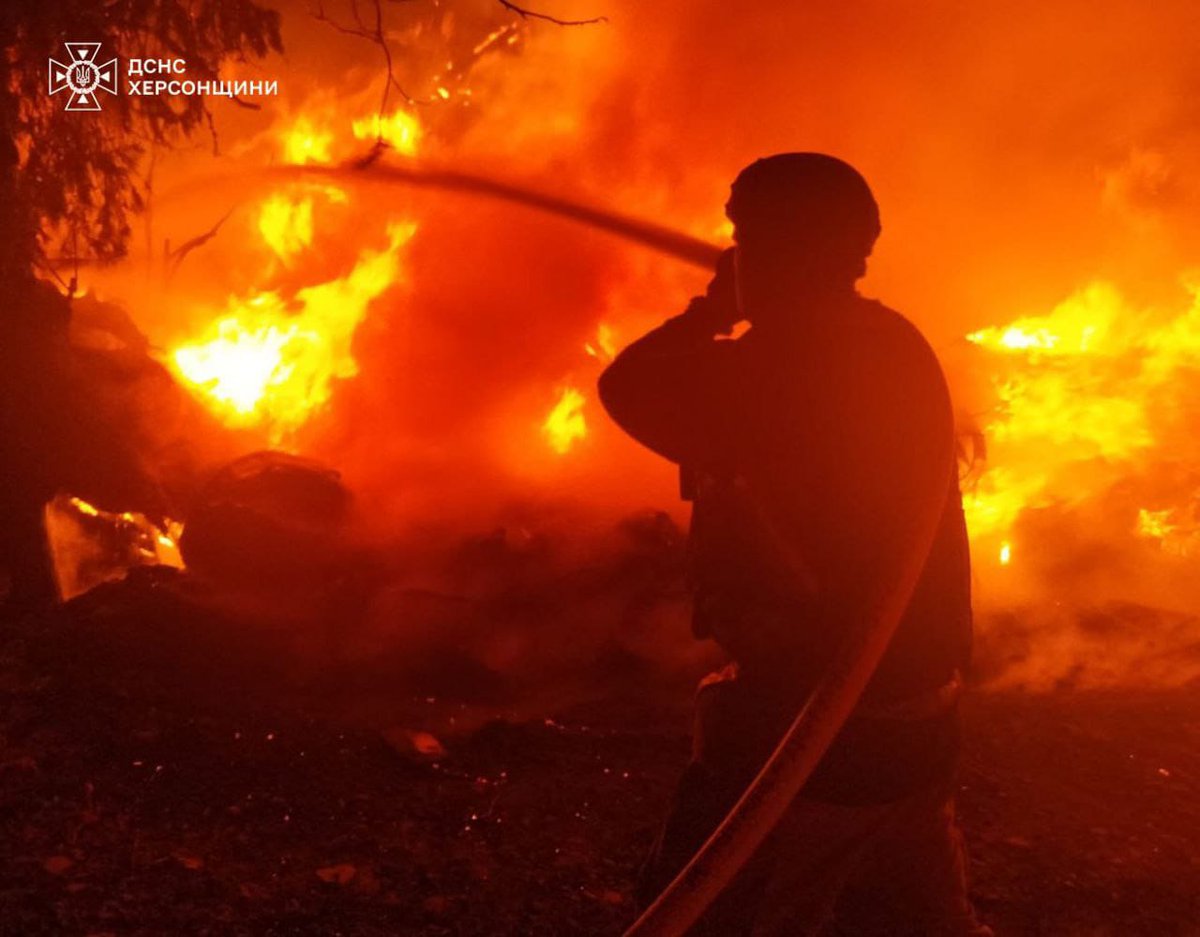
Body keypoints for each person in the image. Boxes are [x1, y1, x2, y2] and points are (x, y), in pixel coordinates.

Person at [599, 153, 990, 936]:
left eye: (744, 236)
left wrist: (711, 308)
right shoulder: (891, 346)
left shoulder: (778, 373)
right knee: (919, 916)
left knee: (720, 911)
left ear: (778, 249)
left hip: (815, 736)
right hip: (913, 716)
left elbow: (630, 387)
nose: (733, 251)